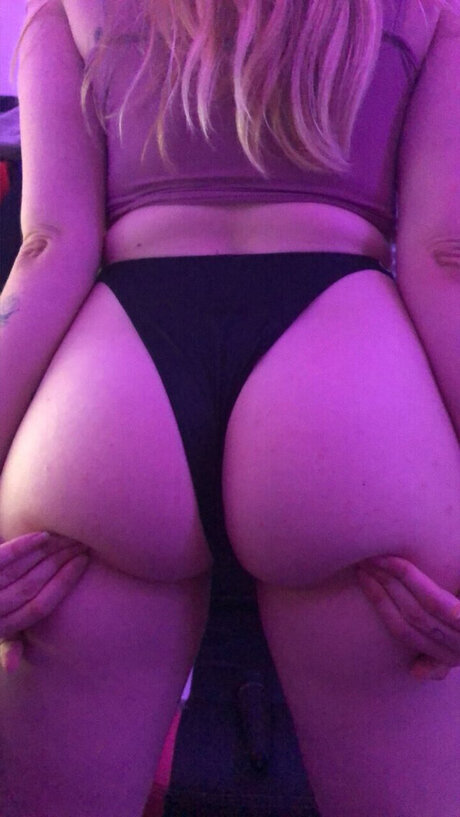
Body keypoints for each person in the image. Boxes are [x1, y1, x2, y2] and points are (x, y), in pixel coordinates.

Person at [0, 0, 459, 815]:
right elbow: (443, 260)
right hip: (348, 402)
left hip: (111, 407)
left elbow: (46, 251)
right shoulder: (432, 13)